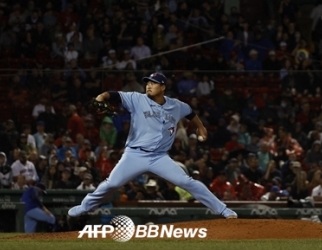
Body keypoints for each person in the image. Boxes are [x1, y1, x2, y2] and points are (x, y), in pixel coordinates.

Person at [67, 72, 238, 219]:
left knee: (187, 182)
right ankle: (84, 207)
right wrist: (100, 98)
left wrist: (201, 127)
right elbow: (111, 95)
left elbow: (190, 113)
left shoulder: (176, 105)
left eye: (153, 83)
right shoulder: (136, 98)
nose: (148, 85)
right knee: (111, 184)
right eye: (147, 82)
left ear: (163, 87)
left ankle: (223, 210)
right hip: (135, 155)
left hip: (159, 157)